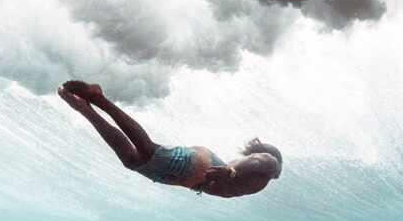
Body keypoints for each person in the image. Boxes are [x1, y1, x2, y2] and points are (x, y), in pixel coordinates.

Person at [58, 80, 281, 198]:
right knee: (148, 149)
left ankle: (84, 108)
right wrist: (229, 172)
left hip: (191, 181)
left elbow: (249, 164)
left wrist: (228, 173)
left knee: (133, 161)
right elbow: (257, 162)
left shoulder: (259, 180)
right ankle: (98, 98)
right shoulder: (270, 164)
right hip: (202, 166)